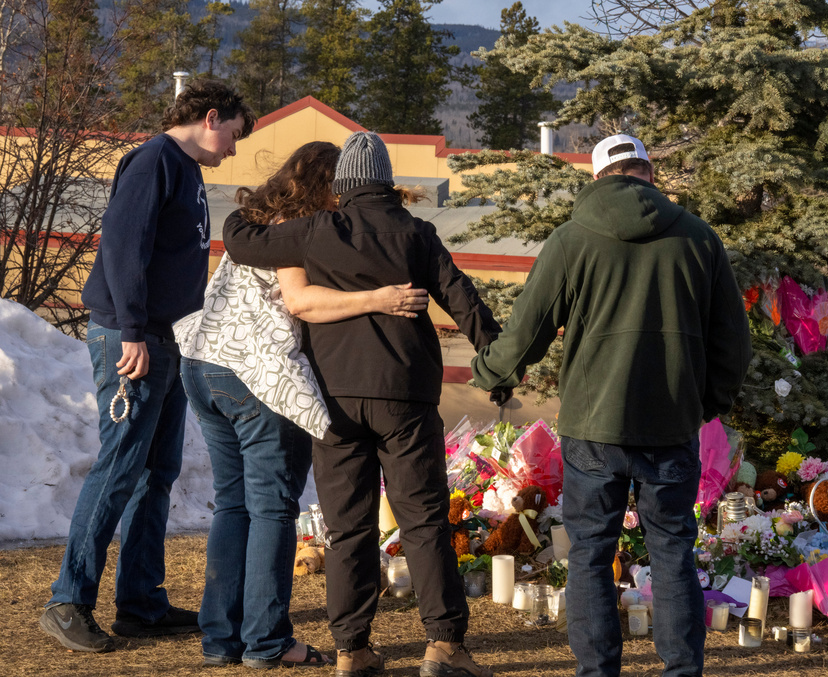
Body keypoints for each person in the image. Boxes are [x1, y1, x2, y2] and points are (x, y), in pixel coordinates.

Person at [471, 134, 753, 677]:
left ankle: (597, 672)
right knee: (672, 554)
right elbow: (733, 347)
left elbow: (528, 330)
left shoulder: (571, 239)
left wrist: (490, 371)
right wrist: (703, 404)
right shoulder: (699, 239)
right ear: (648, 173)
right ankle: (680, 671)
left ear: (598, 177)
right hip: (672, 426)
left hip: (593, 428)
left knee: (590, 556)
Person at [222, 131, 500, 677]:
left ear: (344, 185)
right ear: (386, 182)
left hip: (336, 398)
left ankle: (353, 650)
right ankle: (445, 645)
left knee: (348, 529)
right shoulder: (417, 234)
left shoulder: (315, 232)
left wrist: (250, 207)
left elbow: (240, 242)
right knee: (423, 523)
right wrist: (496, 363)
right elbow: (464, 299)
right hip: (406, 396)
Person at [174, 141, 429, 668]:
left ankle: (221, 638)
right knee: (272, 506)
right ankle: (267, 640)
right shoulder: (301, 223)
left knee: (234, 504)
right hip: (256, 376)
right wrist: (379, 298)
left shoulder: (261, 218)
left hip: (203, 363)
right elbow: (300, 301)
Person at [40, 80, 257, 653]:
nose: (233, 148)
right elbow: (121, 246)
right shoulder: (154, 161)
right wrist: (132, 330)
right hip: (131, 339)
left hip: (167, 340)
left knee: (157, 473)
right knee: (119, 468)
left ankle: (139, 602)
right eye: (234, 134)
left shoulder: (186, 170)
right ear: (212, 117)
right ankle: (68, 601)